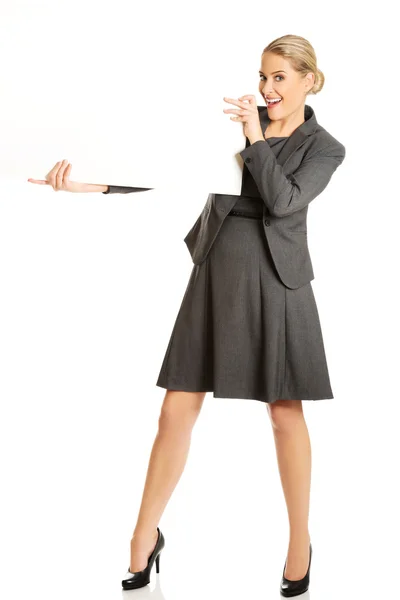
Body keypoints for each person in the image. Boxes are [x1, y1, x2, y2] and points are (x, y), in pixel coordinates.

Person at [28, 34, 346, 598]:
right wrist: (91, 184)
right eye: (263, 77)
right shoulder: (230, 123)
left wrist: (254, 139)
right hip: (217, 268)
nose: (267, 89)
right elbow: (165, 164)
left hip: (278, 282)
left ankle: (300, 544)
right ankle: (143, 538)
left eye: (279, 78)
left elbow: (284, 202)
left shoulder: (325, 148)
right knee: (175, 411)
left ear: (309, 81)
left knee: (284, 415)